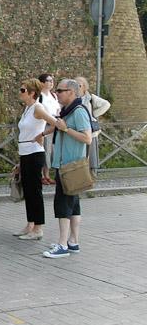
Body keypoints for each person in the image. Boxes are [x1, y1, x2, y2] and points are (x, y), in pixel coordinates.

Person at [42, 79, 92, 258]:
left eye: (60, 91)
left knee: (63, 205)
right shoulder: (67, 111)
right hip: (67, 165)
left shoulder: (78, 111)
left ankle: (62, 244)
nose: (57, 93)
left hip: (70, 167)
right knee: (74, 205)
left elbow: (87, 138)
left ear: (71, 92)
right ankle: (73, 241)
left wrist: (65, 129)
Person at [11, 79, 58, 240]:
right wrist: (20, 162)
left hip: (35, 153)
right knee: (28, 191)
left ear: (32, 93)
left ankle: (38, 228)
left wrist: (42, 134)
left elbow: (56, 123)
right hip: (25, 154)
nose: (20, 92)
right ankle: (30, 224)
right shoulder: (27, 109)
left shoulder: (38, 108)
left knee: (35, 192)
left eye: (23, 90)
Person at [75, 76, 110, 172]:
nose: (77, 87)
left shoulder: (90, 98)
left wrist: (93, 114)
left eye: (79, 85)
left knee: (90, 155)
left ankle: (91, 175)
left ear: (84, 87)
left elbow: (106, 104)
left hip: (89, 130)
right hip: (75, 130)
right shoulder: (71, 97)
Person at [38, 73, 60, 184]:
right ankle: (42, 175)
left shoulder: (53, 95)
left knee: (51, 149)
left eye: (52, 80)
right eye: (49, 80)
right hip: (44, 124)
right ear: (42, 83)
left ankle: (47, 174)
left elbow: (58, 108)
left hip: (54, 123)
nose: (51, 83)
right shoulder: (39, 96)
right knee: (45, 148)